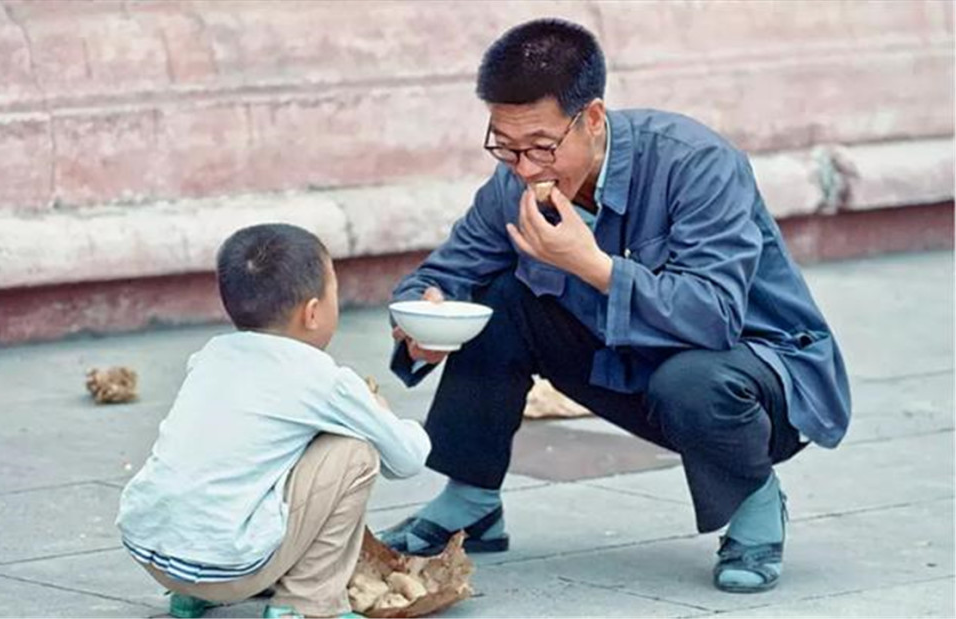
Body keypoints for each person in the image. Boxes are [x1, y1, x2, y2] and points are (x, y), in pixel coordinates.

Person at [379, 18, 850, 594]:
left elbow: (714, 313)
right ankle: (472, 500)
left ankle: (755, 500)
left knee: (693, 380)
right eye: (506, 145)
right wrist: (421, 317)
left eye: (541, 146)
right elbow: (441, 274)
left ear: (593, 119)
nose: (526, 168)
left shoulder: (695, 163)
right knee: (497, 299)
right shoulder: (514, 185)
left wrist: (591, 264)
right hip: (625, 363)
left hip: (757, 378)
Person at [116, 223, 431, 618]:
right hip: (226, 568)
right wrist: (379, 410)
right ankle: (308, 605)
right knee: (355, 452)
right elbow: (408, 460)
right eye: (335, 291)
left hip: (153, 553)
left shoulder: (210, 356)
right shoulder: (324, 380)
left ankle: (198, 595)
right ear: (313, 312)